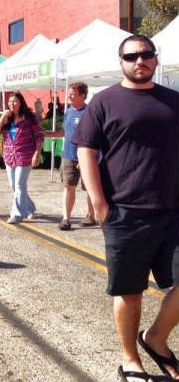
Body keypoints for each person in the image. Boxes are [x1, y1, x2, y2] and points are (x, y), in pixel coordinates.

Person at [75, 35, 179, 382]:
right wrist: (99, 203)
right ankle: (131, 360)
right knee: (129, 291)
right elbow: (85, 151)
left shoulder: (173, 101)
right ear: (121, 61)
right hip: (125, 212)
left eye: (146, 54)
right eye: (132, 56)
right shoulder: (104, 102)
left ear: (154, 58)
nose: (140, 60)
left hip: (172, 211)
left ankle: (156, 338)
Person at [46, 82, 96, 230]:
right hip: (68, 155)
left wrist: (86, 158)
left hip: (86, 157)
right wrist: (48, 134)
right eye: (68, 93)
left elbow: (94, 136)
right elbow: (65, 132)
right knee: (69, 187)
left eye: (72, 94)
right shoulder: (68, 112)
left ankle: (90, 216)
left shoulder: (90, 112)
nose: (68, 96)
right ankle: (66, 218)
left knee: (89, 188)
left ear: (82, 96)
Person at [0, 92, 44, 224]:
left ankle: (17, 214)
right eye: (10, 102)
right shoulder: (7, 119)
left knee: (20, 185)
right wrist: (2, 116)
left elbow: (39, 136)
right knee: (14, 185)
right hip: (9, 156)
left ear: (21, 103)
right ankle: (30, 207)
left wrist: (37, 153)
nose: (11, 104)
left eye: (14, 101)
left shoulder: (30, 118)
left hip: (25, 156)